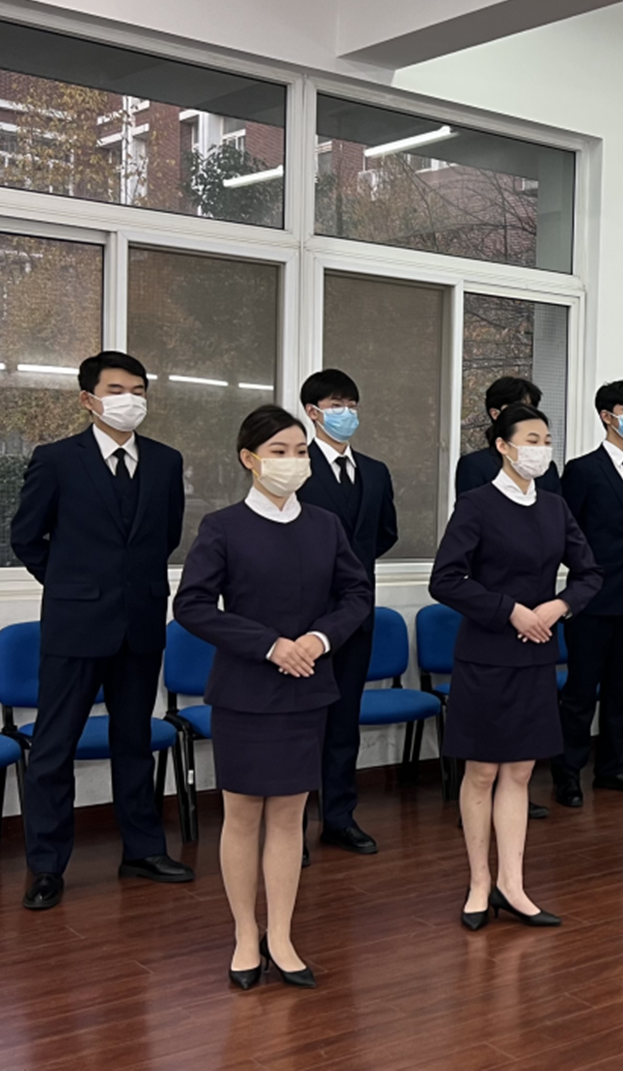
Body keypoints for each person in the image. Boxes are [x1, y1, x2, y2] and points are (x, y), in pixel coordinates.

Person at [173, 405, 372, 990]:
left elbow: (356, 594)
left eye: (300, 451)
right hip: (245, 691)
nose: (292, 461)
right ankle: (244, 933)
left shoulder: (325, 525)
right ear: (249, 459)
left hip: (307, 687)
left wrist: (318, 638)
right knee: (242, 816)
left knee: (290, 817)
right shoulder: (223, 526)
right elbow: (192, 606)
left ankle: (281, 935)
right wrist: (268, 645)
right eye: (279, 451)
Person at [9, 350, 192, 912]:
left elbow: (165, 536)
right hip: (75, 624)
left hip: (141, 623)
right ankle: (46, 866)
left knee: (134, 742)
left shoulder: (165, 461)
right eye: (116, 390)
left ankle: (143, 849)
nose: (129, 399)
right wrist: (71, 584)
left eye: (138, 390)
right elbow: (26, 537)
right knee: (54, 747)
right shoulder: (56, 460)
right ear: (88, 399)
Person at [430, 404, 602, 929]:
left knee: (522, 772)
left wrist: (559, 606)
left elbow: (590, 573)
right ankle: (479, 882)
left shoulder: (554, 507)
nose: (541, 449)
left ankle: (513, 883)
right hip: (486, 654)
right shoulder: (477, 505)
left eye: (546, 439)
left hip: (536, 653)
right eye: (531, 439)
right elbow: (446, 580)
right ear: (502, 446)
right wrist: (509, 610)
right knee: (482, 771)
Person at [296, 369, 397, 858]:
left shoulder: (374, 471)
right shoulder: (294, 465)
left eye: (352, 404)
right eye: (337, 404)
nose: (347, 413)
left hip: (356, 615)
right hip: (304, 620)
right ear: (313, 412)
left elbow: (385, 533)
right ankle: (290, 828)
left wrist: (351, 574)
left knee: (343, 723)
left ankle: (339, 818)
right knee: (302, 726)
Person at [554, 380, 623, 807]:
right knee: (581, 692)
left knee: (621, 690)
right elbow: (568, 530)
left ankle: (612, 767)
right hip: (592, 599)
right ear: (607, 416)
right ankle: (567, 773)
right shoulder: (582, 469)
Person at [453, 376, 562, 498]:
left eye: (531, 410)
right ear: (495, 414)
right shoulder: (475, 465)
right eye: (518, 411)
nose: (527, 417)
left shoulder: (546, 467)